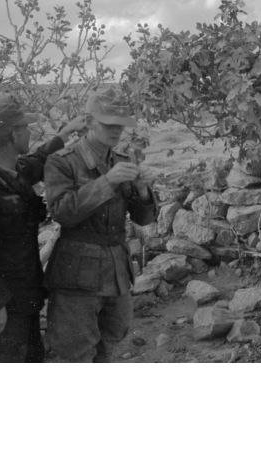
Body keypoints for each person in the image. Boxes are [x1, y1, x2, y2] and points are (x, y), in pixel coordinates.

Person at [44, 87, 157, 362]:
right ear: (89, 121)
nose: (117, 130)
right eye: (109, 124)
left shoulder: (120, 161)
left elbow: (144, 219)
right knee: (76, 354)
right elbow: (62, 212)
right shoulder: (62, 162)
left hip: (116, 275)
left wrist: (142, 191)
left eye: (121, 124)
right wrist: (107, 182)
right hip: (76, 278)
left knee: (110, 344)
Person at [0, 95, 86, 362]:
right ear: (15, 134)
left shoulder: (10, 171)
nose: (30, 132)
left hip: (25, 298)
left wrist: (64, 134)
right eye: (25, 127)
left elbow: (39, 160)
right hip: (3, 309)